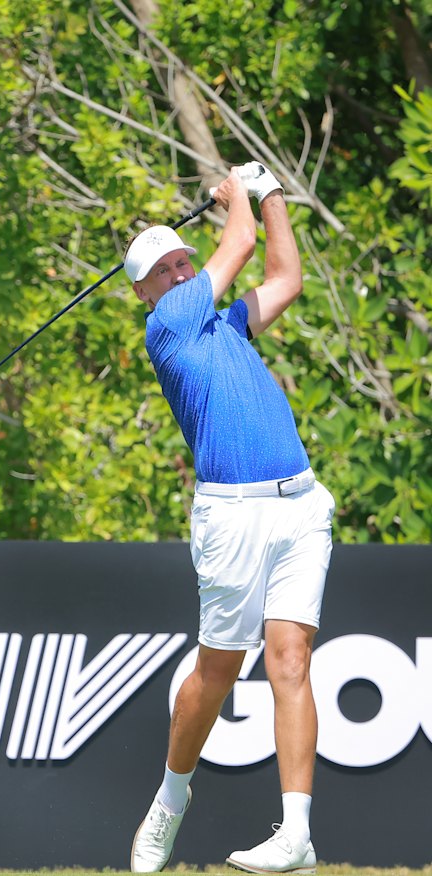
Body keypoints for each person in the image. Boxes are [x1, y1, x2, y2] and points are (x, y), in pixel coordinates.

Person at [124, 162, 335, 875]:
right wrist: (236, 197)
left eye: (184, 260)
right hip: (232, 518)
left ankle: (297, 837)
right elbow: (239, 243)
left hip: (301, 504)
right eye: (166, 268)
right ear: (144, 289)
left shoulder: (226, 326)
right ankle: (169, 802)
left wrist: (272, 193)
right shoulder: (170, 325)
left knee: (291, 660)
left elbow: (284, 279)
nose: (181, 272)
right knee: (217, 671)